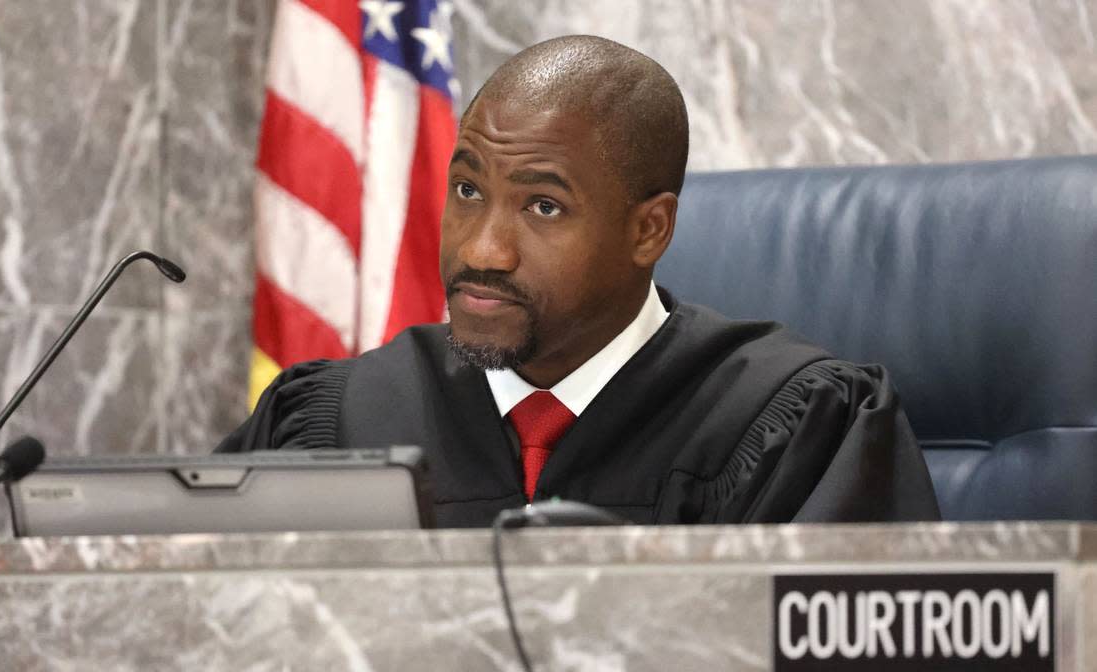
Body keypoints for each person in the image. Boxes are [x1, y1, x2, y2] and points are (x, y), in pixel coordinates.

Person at [219, 35, 940, 527]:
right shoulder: (336, 423)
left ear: (648, 230)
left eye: (543, 206)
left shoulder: (796, 427)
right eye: (468, 191)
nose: (484, 249)